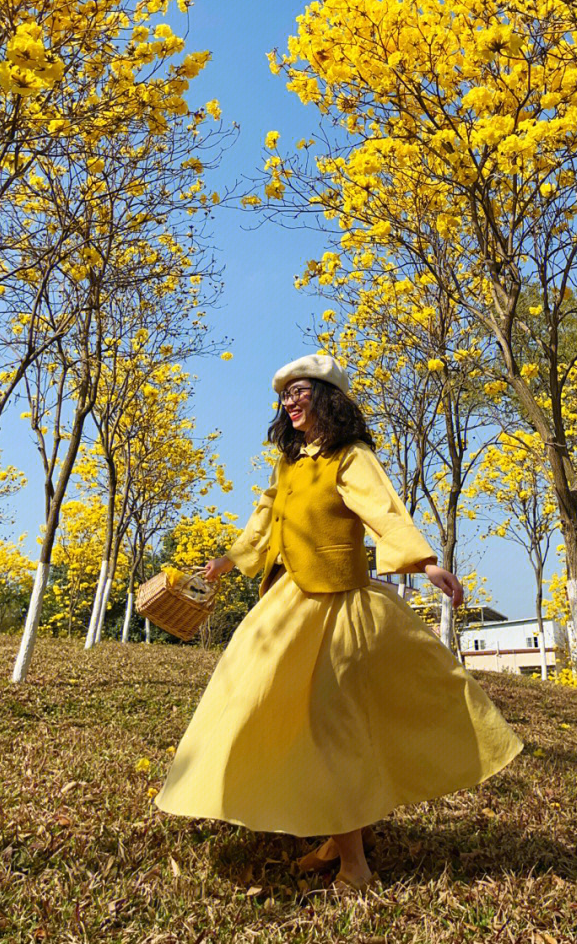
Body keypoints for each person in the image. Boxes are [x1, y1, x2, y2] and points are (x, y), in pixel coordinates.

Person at [155, 353, 522, 891]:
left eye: (301, 391)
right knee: (269, 706)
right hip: (284, 607)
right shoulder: (287, 463)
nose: (290, 401)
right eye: (285, 395)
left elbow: (384, 510)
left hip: (340, 609)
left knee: (329, 728)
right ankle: (343, 835)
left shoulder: (350, 458)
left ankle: (355, 864)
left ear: (328, 398)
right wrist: (228, 560)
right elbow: (264, 519)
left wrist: (426, 564)